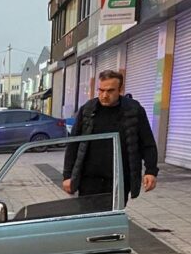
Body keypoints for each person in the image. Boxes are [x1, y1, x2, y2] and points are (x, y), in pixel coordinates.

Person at [62, 69, 158, 205]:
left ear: (120, 89)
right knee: (89, 221)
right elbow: (73, 144)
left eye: (110, 91)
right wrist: (67, 176)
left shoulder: (133, 110)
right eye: (101, 90)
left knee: (113, 221)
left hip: (119, 179)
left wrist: (151, 171)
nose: (104, 95)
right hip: (89, 181)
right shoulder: (88, 110)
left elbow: (147, 143)